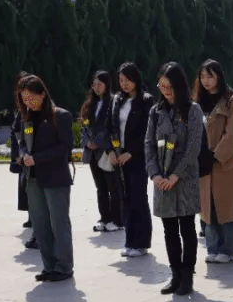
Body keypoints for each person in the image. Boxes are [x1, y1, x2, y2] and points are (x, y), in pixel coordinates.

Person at [146, 62, 204, 296]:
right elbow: (149, 144)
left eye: (170, 86)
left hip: (184, 178)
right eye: (162, 86)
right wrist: (155, 174)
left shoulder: (192, 110)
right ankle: (175, 275)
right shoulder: (156, 111)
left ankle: (187, 276)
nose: (166, 91)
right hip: (162, 179)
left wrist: (175, 175)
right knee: (169, 230)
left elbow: (193, 148)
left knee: (187, 229)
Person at [16, 75, 75, 282]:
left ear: (42, 94)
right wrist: (24, 154)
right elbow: (22, 142)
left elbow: (65, 147)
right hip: (32, 178)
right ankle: (49, 266)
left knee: (58, 224)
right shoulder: (26, 118)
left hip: (55, 178)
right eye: (24, 99)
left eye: (32, 97)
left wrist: (37, 158)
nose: (28, 102)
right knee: (40, 225)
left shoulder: (60, 116)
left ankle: (64, 267)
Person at [196, 59, 233, 263]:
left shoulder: (229, 102)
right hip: (203, 163)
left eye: (210, 76)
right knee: (207, 208)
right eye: (202, 77)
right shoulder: (197, 103)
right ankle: (213, 248)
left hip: (225, 164)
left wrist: (215, 155)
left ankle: (228, 250)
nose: (206, 81)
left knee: (227, 208)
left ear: (219, 77)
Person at [110, 62, 156, 257]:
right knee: (125, 199)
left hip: (137, 158)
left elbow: (148, 130)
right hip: (118, 157)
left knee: (138, 198)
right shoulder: (117, 100)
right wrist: (111, 151)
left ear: (136, 79)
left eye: (128, 80)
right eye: (121, 80)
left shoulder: (146, 100)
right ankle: (130, 241)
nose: (124, 84)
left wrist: (131, 152)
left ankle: (141, 243)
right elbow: (110, 126)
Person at [81, 71, 123, 234]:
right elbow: (84, 127)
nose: (96, 87)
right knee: (101, 187)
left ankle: (117, 220)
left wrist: (101, 143)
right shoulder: (89, 104)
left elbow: (113, 128)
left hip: (107, 151)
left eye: (100, 84)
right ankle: (104, 218)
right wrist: (87, 142)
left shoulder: (113, 102)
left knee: (113, 187)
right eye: (94, 84)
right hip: (93, 153)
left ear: (107, 84)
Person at [9, 71, 37, 249]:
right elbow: (19, 133)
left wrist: (27, 149)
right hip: (24, 154)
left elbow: (29, 133)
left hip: (35, 158)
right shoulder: (21, 110)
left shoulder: (37, 109)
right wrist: (20, 152)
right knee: (27, 188)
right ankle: (32, 218)